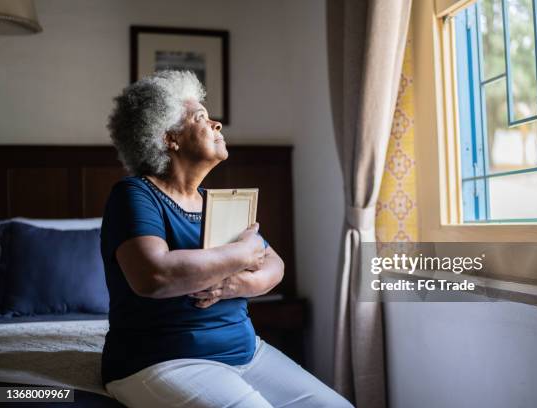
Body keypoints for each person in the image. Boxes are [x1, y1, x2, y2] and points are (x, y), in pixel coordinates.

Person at [100, 70, 353, 408]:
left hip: (247, 353)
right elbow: (154, 276)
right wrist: (243, 253)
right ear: (169, 138)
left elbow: (275, 265)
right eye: (201, 117)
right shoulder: (134, 194)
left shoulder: (216, 201)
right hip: (162, 361)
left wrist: (234, 286)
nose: (217, 124)